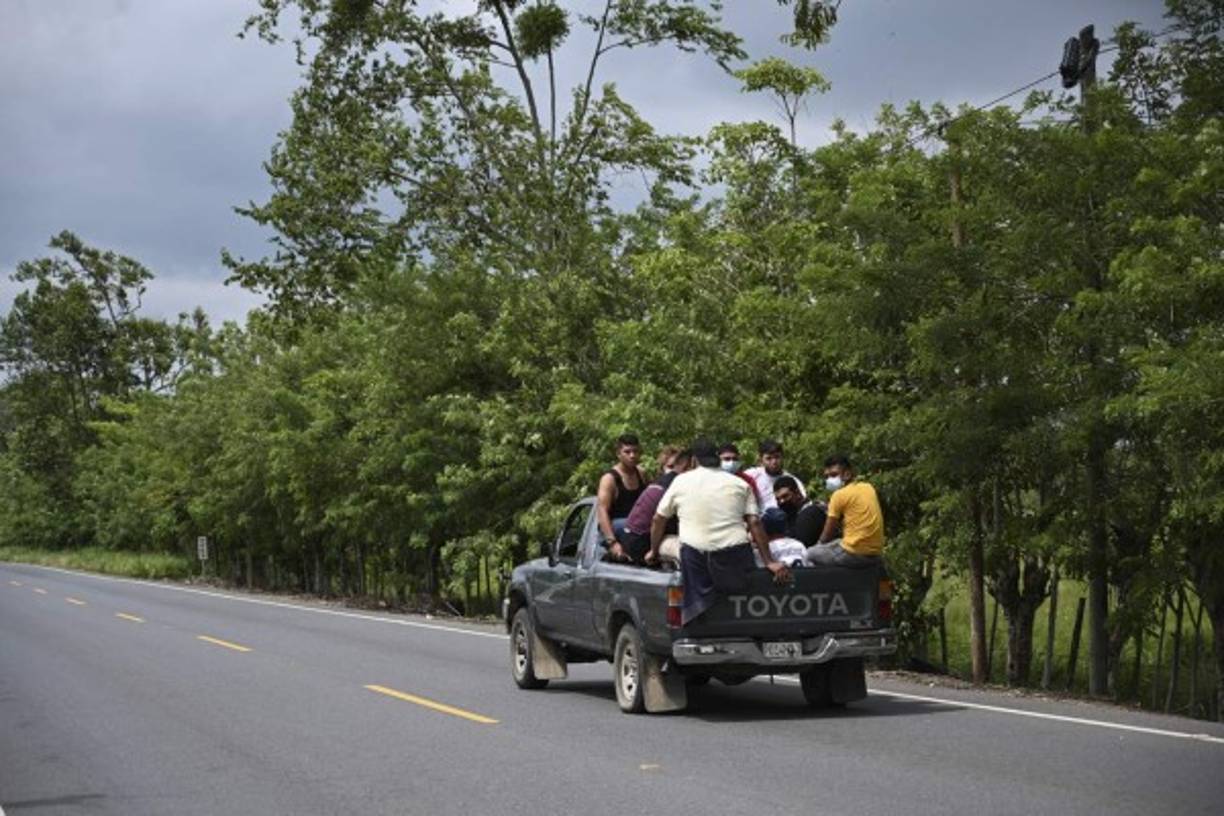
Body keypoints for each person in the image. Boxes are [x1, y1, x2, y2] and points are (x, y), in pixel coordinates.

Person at [648, 439, 789, 624]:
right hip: (735, 558)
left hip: (696, 559)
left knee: (669, 542)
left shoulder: (680, 481)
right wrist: (769, 561)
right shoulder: (739, 483)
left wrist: (653, 550)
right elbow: (754, 522)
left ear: (693, 461)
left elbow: (658, 519)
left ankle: (696, 616)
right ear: (717, 459)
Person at [805, 455, 884, 568]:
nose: (829, 480)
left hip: (855, 553)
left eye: (833, 475)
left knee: (810, 554)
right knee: (837, 542)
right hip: (875, 552)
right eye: (827, 477)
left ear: (847, 474)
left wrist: (818, 547)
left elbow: (827, 534)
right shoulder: (868, 487)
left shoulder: (838, 495)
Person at [617, 448, 692, 563]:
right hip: (641, 542)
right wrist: (653, 550)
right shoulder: (676, 483)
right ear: (687, 466)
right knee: (689, 549)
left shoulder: (662, 481)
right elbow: (658, 520)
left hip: (633, 537)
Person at [596, 434, 648, 562]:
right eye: (627, 452)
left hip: (637, 528)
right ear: (618, 454)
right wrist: (612, 542)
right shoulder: (609, 479)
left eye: (635, 451)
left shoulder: (641, 473)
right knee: (627, 523)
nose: (632, 455)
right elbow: (602, 511)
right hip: (617, 527)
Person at [743, 439, 805, 510]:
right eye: (769, 458)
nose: (774, 462)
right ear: (761, 460)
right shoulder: (752, 475)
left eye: (777, 457)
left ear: (782, 457)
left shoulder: (792, 481)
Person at [772, 475, 827, 548]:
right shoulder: (789, 515)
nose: (782, 501)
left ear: (797, 493)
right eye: (778, 499)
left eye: (785, 496)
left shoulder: (811, 511)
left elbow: (802, 543)